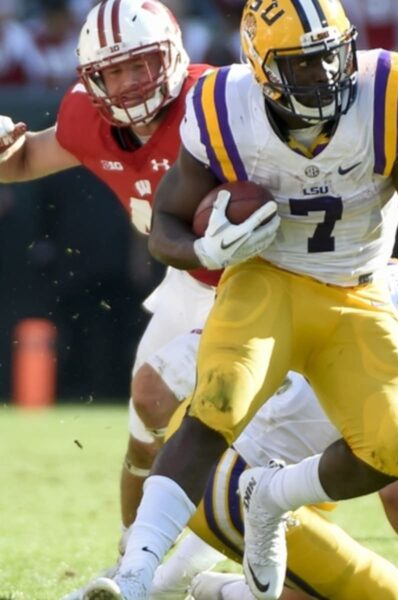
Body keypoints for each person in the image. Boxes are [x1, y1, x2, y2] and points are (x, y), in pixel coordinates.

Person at [83, 1, 398, 598]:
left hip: (356, 292)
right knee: (217, 404)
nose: (327, 74)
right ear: (262, 69)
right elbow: (166, 226)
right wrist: (205, 255)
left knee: (393, 449)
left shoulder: (385, 93)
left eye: (331, 55)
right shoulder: (226, 109)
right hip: (269, 279)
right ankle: (135, 575)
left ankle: (269, 499)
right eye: (303, 65)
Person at [111, 237, 398, 599]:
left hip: (191, 445)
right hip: (230, 492)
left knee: (316, 482)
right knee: (382, 592)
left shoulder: (390, 273)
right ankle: (194, 588)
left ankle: (173, 581)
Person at [0, 0, 224, 559]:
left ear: (172, 56)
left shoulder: (221, 101)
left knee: (243, 444)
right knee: (143, 426)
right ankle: (133, 564)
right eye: (113, 71)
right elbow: (26, 162)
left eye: (140, 65)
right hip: (190, 283)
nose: (127, 84)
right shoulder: (86, 118)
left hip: (265, 284)